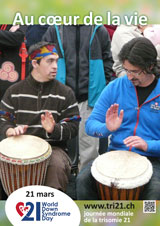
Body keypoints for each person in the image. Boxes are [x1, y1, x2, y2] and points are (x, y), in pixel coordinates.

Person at [76, 37, 160, 200]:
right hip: (116, 154)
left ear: (150, 66)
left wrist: (147, 145)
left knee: (155, 192)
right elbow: (90, 126)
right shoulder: (115, 87)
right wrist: (107, 128)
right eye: (126, 70)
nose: (129, 76)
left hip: (153, 159)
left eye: (135, 71)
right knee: (83, 180)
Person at [0, 41, 80, 193]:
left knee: (56, 167)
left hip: (53, 149)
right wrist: (8, 130)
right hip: (18, 149)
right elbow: (3, 118)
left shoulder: (65, 93)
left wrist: (53, 129)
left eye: (56, 61)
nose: (55, 66)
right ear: (35, 63)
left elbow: (74, 126)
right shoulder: (14, 91)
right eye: (49, 61)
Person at [42, 25, 114, 170]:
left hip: (89, 98)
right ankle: (59, 181)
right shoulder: (55, 29)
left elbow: (107, 59)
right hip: (60, 97)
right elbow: (43, 59)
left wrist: (101, 85)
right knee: (55, 142)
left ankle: (85, 184)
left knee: (90, 148)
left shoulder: (98, 29)